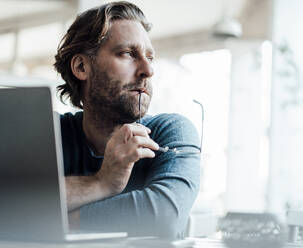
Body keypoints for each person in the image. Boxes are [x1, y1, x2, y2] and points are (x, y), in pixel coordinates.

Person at [53, 1, 200, 238]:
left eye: (149, 57)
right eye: (128, 53)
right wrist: (101, 183)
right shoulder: (50, 134)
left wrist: (46, 220)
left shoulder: (172, 132)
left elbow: (164, 216)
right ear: (81, 66)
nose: (147, 70)